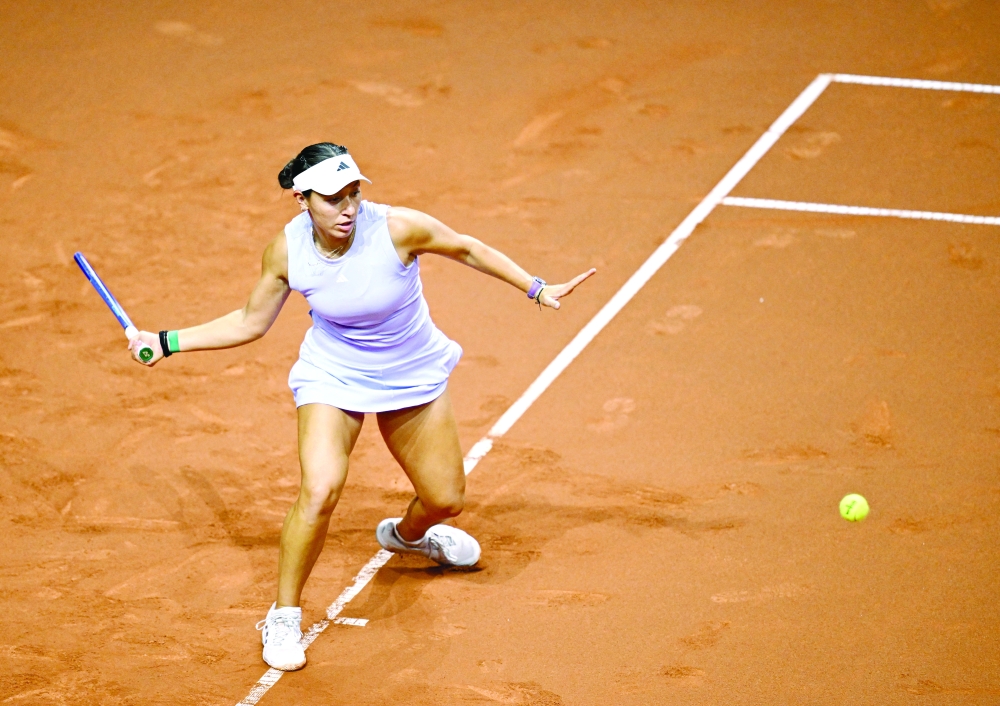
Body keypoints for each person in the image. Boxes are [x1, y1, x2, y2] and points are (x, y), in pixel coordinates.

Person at [128, 142, 595, 671]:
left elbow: (465, 247)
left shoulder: (397, 228)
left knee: (445, 501)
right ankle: (283, 616)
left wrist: (535, 287)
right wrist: (165, 342)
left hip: (411, 372)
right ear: (301, 199)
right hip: (334, 374)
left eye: (353, 193)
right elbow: (249, 321)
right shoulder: (286, 252)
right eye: (332, 199)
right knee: (320, 488)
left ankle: (410, 536)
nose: (348, 208)